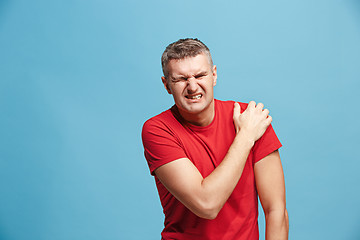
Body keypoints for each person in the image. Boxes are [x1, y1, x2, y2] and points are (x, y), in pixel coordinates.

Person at [141, 38, 289, 240]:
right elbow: (206, 204)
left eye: (200, 75)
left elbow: (276, 210)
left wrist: (247, 129)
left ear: (214, 75)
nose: (192, 87)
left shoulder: (252, 117)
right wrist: (245, 136)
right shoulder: (157, 130)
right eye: (181, 79)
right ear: (166, 84)